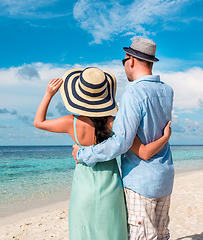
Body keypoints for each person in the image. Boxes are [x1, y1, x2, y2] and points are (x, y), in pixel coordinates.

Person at [34, 67, 171, 240]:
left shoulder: (70, 122)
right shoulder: (114, 123)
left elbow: (39, 122)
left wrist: (48, 94)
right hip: (111, 190)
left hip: (83, 192)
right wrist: (165, 137)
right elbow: (143, 152)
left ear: (78, 95)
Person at [72, 37, 174, 240]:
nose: (124, 65)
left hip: (141, 181)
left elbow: (121, 142)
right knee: (162, 234)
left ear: (131, 60)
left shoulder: (134, 92)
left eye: (123, 60)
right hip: (165, 176)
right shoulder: (167, 90)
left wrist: (84, 153)